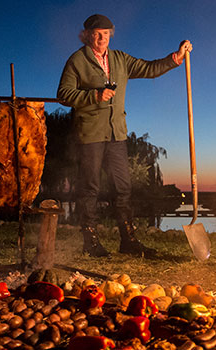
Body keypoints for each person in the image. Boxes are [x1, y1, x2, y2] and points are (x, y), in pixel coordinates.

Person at [57, 14, 192, 257]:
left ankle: (128, 241)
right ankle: (91, 243)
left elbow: (149, 68)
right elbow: (64, 94)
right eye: (96, 34)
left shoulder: (120, 59)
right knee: (90, 188)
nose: (101, 38)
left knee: (123, 188)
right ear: (87, 35)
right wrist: (94, 96)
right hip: (90, 134)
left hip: (116, 134)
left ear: (111, 34)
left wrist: (176, 57)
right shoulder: (77, 60)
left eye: (105, 33)